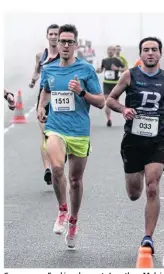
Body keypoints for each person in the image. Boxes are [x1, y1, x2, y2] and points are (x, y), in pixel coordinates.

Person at [106, 37, 164, 254]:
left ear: (160, 54)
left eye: (154, 49)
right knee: (135, 193)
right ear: (140, 54)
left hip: (157, 140)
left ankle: (148, 237)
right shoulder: (130, 75)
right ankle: (136, 180)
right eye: (146, 50)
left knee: (152, 187)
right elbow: (110, 100)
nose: (150, 53)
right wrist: (123, 110)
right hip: (133, 141)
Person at [37, 24, 104, 248]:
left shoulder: (85, 70)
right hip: (56, 127)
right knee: (56, 168)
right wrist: (40, 107)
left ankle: (73, 222)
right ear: (57, 43)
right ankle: (62, 210)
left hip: (79, 131)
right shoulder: (49, 69)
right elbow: (46, 90)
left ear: (76, 44)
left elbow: (101, 101)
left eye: (69, 42)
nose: (65, 45)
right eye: (62, 41)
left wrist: (81, 92)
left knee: (75, 181)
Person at [29, 24, 60, 185]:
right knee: (45, 134)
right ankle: (48, 169)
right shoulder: (41, 55)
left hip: (61, 97)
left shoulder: (65, 54)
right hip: (44, 97)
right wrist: (33, 80)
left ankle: (57, 163)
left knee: (59, 135)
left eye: (56, 34)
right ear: (47, 36)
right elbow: (37, 70)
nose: (54, 36)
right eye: (51, 34)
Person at [96, 46, 126, 127]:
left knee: (116, 102)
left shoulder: (117, 60)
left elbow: (125, 69)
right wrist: (98, 70)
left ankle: (126, 116)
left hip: (115, 84)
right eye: (108, 50)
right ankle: (109, 119)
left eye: (111, 50)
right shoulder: (104, 60)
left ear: (114, 51)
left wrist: (117, 69)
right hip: (106, 83)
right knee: (107, 102)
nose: (109, 52)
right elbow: (101, 70)